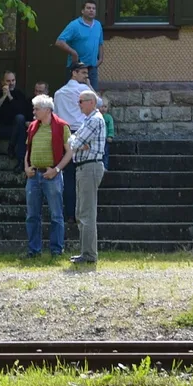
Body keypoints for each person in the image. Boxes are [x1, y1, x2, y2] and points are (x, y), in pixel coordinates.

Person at [22, 94, 69, 258]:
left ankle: (56, 250)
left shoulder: (62, 126)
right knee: (32, 215)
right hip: (34, 175)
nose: (33, 111)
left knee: (56, 214)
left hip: (52, 175)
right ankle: (34, 250)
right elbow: (28, 150)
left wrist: (56, 170)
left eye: (36, 109)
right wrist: (26, 167)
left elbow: (69, 152)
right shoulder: (33, 127)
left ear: (47, 110)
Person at [66, 89, 107, 267]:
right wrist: (77, 142)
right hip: (85, 168)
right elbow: (73, 140)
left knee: (87, 213)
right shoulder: (89, 120)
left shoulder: (94, 120)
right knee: (81, 212)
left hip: (89, 167)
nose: (79, 104)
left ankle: (89, 254)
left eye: (81, 101)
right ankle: (86, 252)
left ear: (91, 102)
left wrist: (77, 142)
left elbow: (74, 142)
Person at [52, 66, 96, 223]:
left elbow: (55, 115)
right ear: (74, 73)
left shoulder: (58, 93)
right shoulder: (84, 90)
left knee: (69, 176)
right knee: (84, 176)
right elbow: (98, 103)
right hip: (82, 133)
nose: (86, 76)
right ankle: (83, 214)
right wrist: (90, 86)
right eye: (83, 73)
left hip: (66, 134)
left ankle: (69, 213)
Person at [0, 70, 32, 162]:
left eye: (13, 80)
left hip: (14, 130)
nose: (11, 83)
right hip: (0, 127)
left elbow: (22, 112)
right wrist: (4, 97)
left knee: (20, 118)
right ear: (2, 82)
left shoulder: (20, 94)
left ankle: (11, 147)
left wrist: (10, 96)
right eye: (8, 81)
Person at [55, 0, 104, 89]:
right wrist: (74, 53)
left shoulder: (98, 25)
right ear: (82, 11)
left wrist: (100, 59)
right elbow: (59, 42)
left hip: (92, 68)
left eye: (93, 8)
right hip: (77, 68)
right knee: (75, 96)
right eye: (88, 8)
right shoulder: (74, 25)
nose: (91, 10)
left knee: (92, 96)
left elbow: (100, 43)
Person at [99, 94, 115, 170]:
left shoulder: (108, 117)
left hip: (105, 139)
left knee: (105, 153)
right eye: (101, 106)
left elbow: (111, 128)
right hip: (98, 139)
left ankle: (105, 167)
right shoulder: (96, 117)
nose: (103, 108)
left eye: (105, 106)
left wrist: (110, 136)